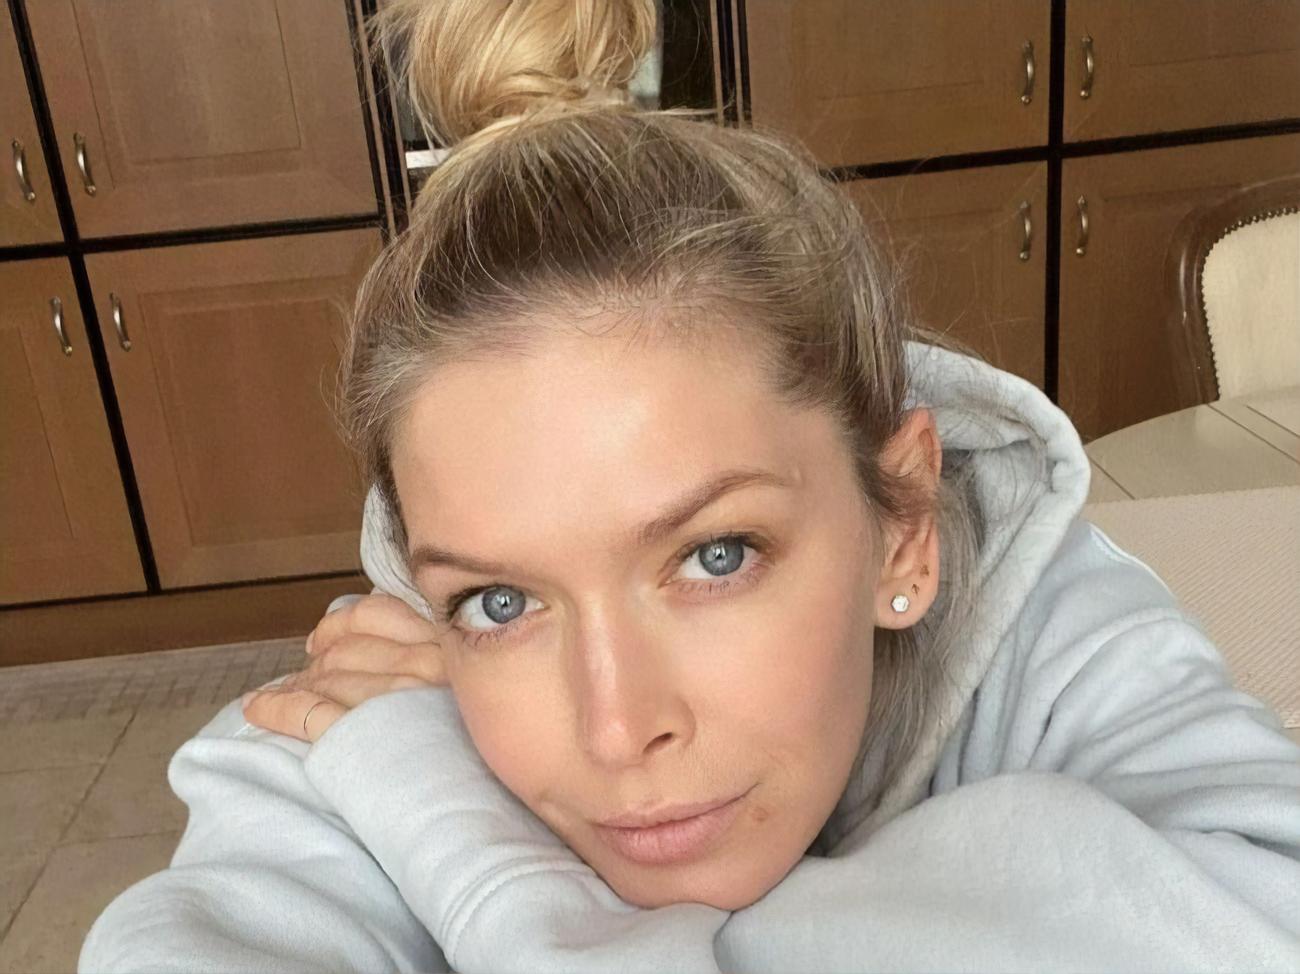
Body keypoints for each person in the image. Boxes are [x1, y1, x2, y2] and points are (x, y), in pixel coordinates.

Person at [79, 1, 1300, 971]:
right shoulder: (363, 705)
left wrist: (480, 857)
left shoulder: (1042, 616)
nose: (617, 729)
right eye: (500, 602)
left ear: (904, 527)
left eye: (715, 554)